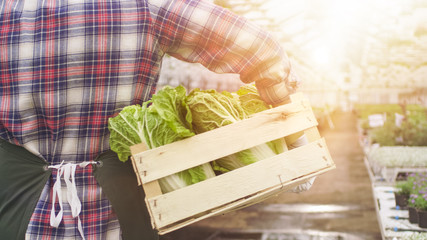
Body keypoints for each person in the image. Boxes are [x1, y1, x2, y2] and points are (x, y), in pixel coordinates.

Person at [0, 0, 311, 239]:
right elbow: (260, 48)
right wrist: (294, 137)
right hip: (120, 212)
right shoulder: (147, 6)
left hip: (18, 211)